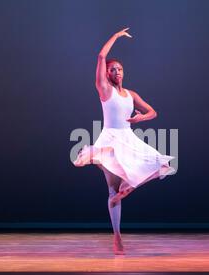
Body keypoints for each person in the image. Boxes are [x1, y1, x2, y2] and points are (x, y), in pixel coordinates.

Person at [73, 27, 175, 255]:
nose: (117, 72)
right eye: (113, 69)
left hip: (128, 138)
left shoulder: (131, 94)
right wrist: (116, 37)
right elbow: (100, 57)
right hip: (110, 140)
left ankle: (130, 187)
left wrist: (141, 117)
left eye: (119, 69)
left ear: (123, 72)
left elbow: (152, 112)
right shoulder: (104, 90)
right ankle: (117, 238)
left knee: (165, 166)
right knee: (112, 191)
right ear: (107, 74)